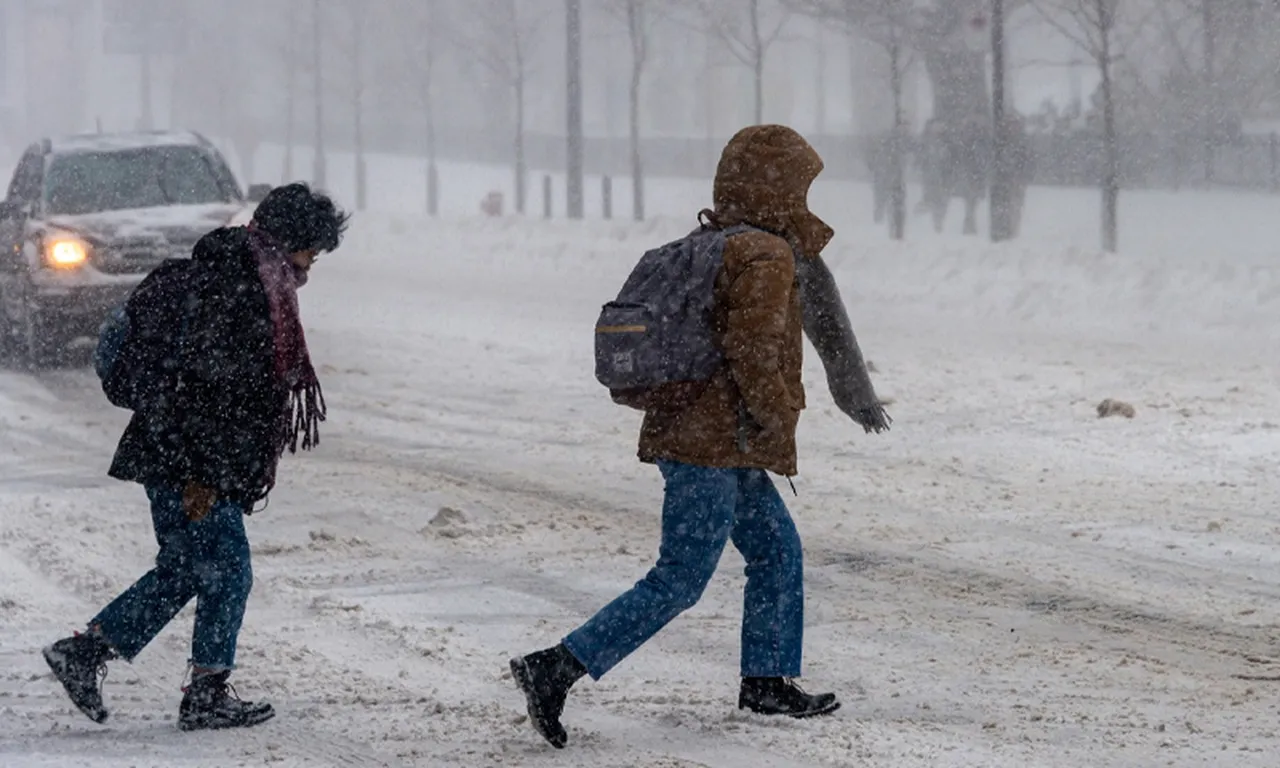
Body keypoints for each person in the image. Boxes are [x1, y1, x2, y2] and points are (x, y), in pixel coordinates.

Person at [510, 125, 889, 749]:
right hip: (709, 446)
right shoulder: (763, 254)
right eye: (801, 184)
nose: (805, 198)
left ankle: (766, 680)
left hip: (712, 440)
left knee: (777, 552)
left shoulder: (709, 242)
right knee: (680, 577)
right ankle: (555, 667)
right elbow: (754, 350)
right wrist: (773, 417)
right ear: (778, 187)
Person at [42, 182, 350, 731]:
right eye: (312, 251)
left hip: (174, 447)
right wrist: (203, 474)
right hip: (186, 455)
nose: (312, 264)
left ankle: (88, 655)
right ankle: (204, 692)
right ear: (293, 240)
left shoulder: (249, 273)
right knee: (226, 569)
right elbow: (209, 387)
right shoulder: (244, 286)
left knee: (188, 567)